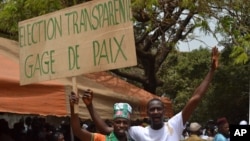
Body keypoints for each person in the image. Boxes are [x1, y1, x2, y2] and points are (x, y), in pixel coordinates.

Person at [81, 47, 219, 141]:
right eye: (152, 109)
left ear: (164, 112)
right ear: (147, 113)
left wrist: (211, 71)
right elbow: (106, 129)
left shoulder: (174, 124)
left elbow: (195, 99)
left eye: (159, 108)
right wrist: (89, 106)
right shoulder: (138, 132)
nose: (156, 111)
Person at [69, 91, 133, 141]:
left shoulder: (133, 138)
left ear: (129, 124)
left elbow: (105, 129)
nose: (121, 125)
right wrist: (73, 107)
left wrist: (89, 105)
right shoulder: (102, 139)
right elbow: (77, 131)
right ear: (113, 123)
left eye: (125, 123)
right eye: (118, 122)